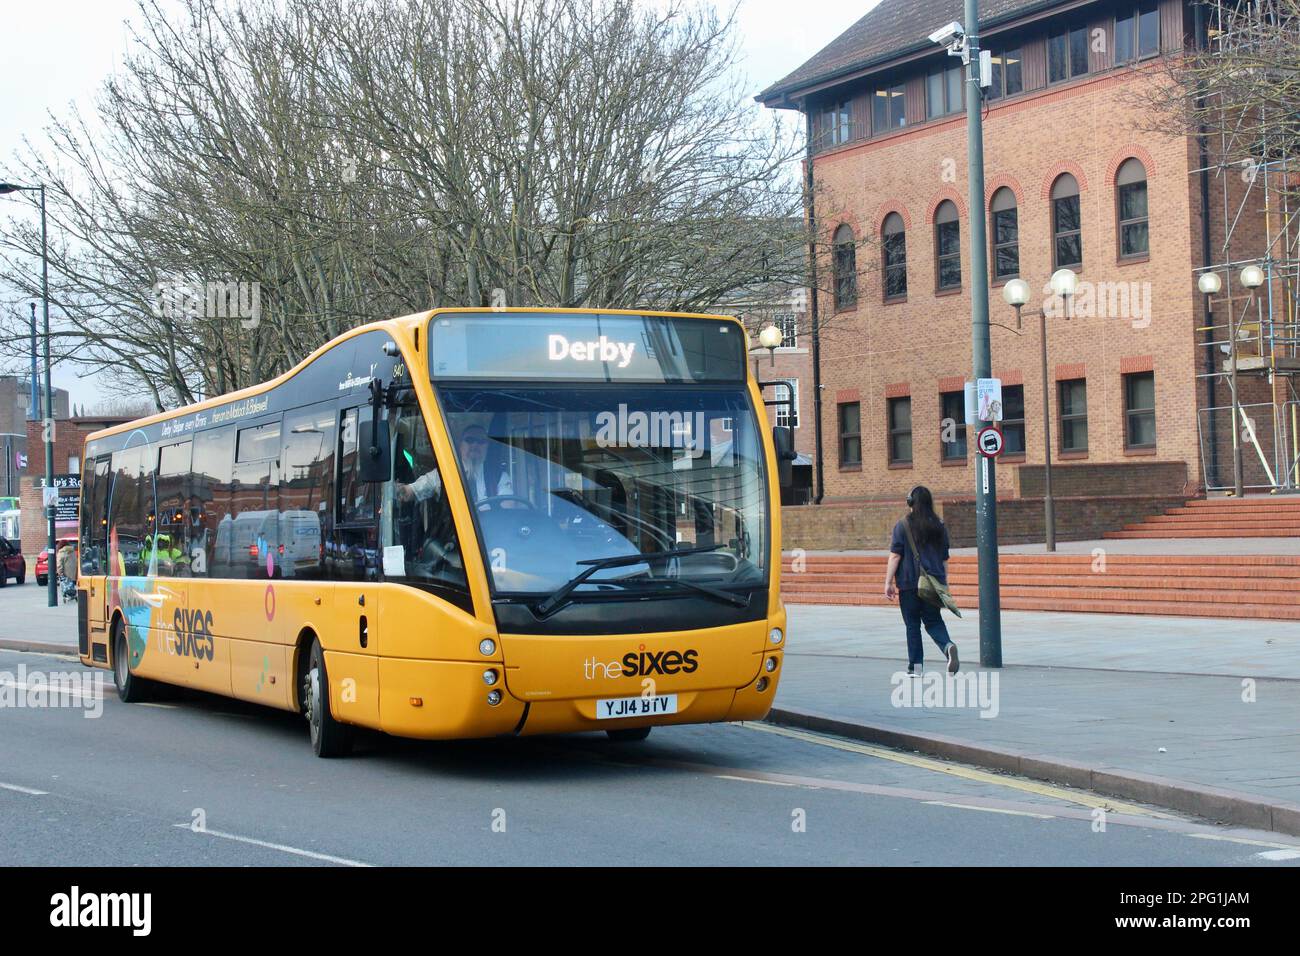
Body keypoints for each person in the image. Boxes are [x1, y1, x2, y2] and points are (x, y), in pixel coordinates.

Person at [884, 485, 959, 676]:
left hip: (909, 583)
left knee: (912, 625)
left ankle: (916, 668)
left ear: (910, 502)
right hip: (933, 582)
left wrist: (888, 582)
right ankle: (947, 645)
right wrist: (944, 584)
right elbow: (944, 559)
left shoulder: (903, 525)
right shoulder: (939, 526)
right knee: (933, 620)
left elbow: (895, 556)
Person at [396, 424, 513, 505]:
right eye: (470, 440)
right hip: (455, 537)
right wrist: (401, 491)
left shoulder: (498, 475)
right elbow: (414, 490)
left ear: (487, 447)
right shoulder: (447, 472)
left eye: (481, 441)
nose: (475, 445)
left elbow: (507, 508)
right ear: (460, 445)